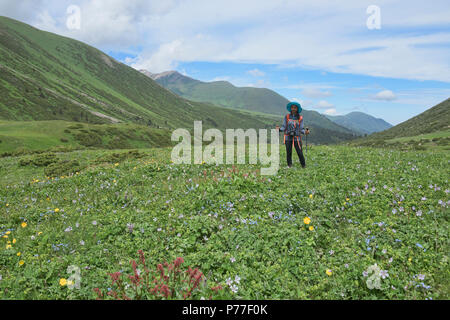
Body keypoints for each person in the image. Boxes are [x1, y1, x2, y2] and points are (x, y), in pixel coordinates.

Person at [276, 102, 310, 168]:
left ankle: (303, 165)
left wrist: (305, 132)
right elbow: (284, 126)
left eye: (295, 107)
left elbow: (301, 128)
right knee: (288, 152)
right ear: (290, 108)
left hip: (297, 137)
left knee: (299, 152)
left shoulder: (300, 118)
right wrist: (279, 129)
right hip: (288, 137)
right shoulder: (287, 117)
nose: (293, 109)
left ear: (297, 109)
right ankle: (289, 165)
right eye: (292, 107)